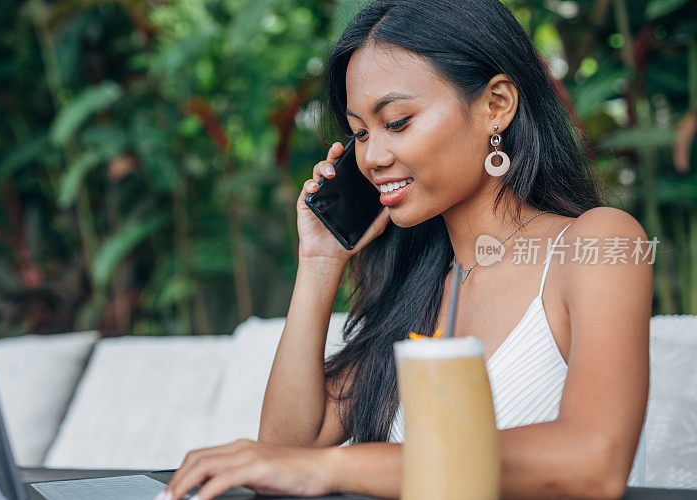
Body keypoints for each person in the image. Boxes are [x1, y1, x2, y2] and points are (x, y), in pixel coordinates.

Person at [157, 0, 652, 498]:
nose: (372, 157)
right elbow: (288, 449)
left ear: (496, 104)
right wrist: (320, 261)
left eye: (396, 122)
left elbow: (594, 461)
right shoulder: (416, 288)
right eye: (359, 134)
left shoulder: (598, 243)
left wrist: (337, 468)